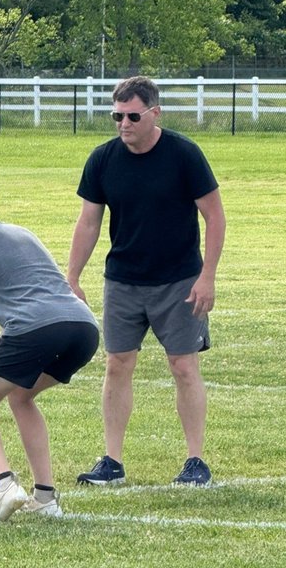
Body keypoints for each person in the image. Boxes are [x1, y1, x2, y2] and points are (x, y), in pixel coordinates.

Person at [66, 75, 226, 488]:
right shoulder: (103, 159)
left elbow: (214, 216)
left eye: (132, 116)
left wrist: (207, 276)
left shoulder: (184, 154)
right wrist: (73, 276)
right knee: (117, 364)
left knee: (183, 365)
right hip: (123, 280)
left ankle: (195, 461)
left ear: (155, 113)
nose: (124, 124)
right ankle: (112, 462)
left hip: (179, 280)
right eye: (117, 116)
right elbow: (88, 222)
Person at [0, 175, 99, 522]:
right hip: (84, 328)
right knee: (21, 396)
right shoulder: (22, 233)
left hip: (37, 329)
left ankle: (5, 486)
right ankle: (45, 498)